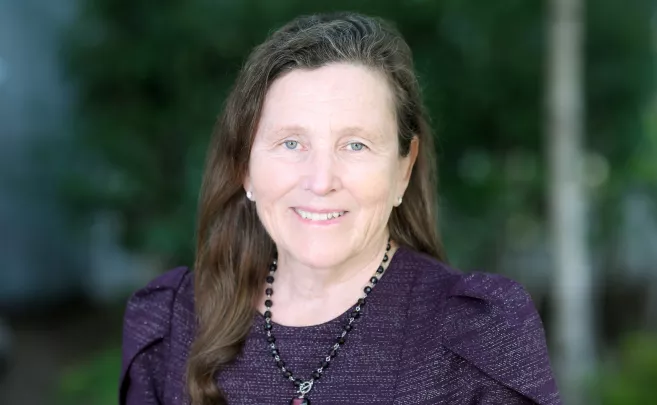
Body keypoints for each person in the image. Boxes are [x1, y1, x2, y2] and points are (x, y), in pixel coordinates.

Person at [120, 11, 562, 405]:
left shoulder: (477, 336)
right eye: (291, 143)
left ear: (403, 168)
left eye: (355, 145)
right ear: (246, 167)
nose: (320, 181)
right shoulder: (173, 322)